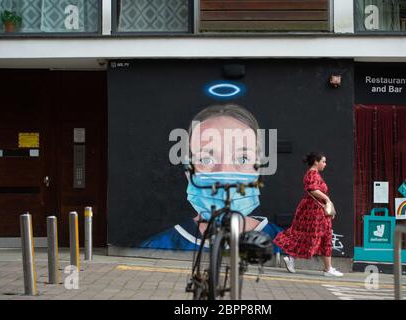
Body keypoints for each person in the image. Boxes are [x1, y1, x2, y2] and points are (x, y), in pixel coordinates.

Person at [140, 104, 282, 251]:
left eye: (243, 159)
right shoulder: (153, 250)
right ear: (188, 173)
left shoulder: (290, 249)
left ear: (258, 170)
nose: (226, 177)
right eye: (206, 160)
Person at [273, 152, 343, 277]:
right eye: (323, 161)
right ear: (316, 162)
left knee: (314, 236)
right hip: (314, 211)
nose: (325, 164)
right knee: (321, 236)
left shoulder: (314, 174)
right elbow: (312, 189)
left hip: (314, 210)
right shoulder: (312, 173)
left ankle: (325, 267)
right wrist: (327, 199)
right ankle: (327, 269)